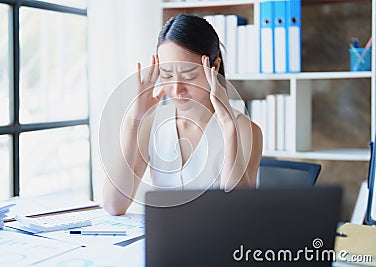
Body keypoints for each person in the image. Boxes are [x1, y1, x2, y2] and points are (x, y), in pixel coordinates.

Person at [103, 14, 263, 215]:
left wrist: (228, 126)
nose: (177, 89)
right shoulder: (152, 122)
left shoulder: (245, 130)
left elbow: (239, 213)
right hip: (166, 242)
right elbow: (113, 205)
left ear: (214, 67)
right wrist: (132, 122)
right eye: (167, 75)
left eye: (189, 75)